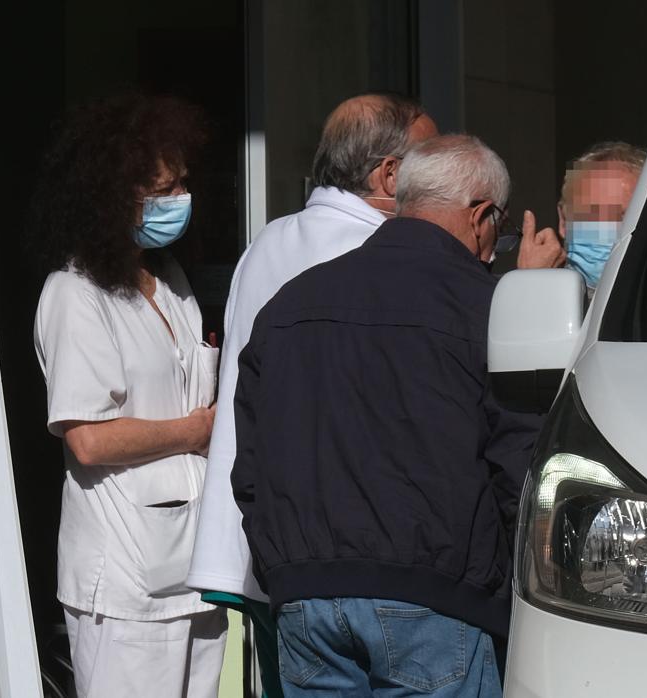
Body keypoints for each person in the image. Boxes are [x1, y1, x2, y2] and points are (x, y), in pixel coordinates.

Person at [231, 135, 543, 697]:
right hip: (436, 599)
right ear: (480, 216)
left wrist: (284, 564)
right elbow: (521, 470)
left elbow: (249, 465)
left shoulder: (289, 303)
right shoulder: (487, 307)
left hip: (305, 595)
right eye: (498, 223)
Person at [30, 93, 226, 698]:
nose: (177, 202)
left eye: (181, 186)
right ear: (110, 196)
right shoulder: (74, 293)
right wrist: (194, 432)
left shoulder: (172, 284)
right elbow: (88, 439)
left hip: (195, 572)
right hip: (125, 585)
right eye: (160, 190)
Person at [558, 141, 647, 291]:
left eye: (623, 217)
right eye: (594, 215)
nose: (606, 230)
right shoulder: (542, 298)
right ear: (563, 221)